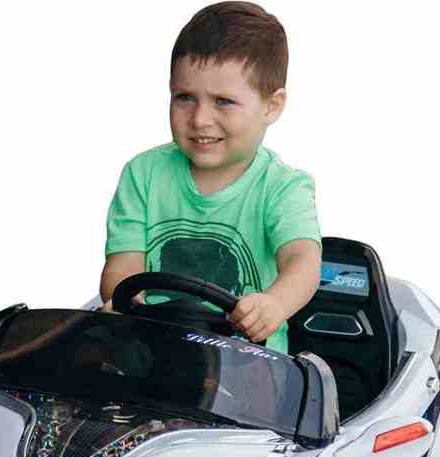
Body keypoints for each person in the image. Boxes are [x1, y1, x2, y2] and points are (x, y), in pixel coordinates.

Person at [99, 1, 321, 353]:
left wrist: (275, 303)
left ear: (271, 106)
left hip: (249, 362)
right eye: (185, 98)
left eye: (223, 101)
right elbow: (122, 268)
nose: (200, 119)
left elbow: (303, 261)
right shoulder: (142, 174)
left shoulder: (283, 187)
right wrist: (123, 300)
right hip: (153, 351)